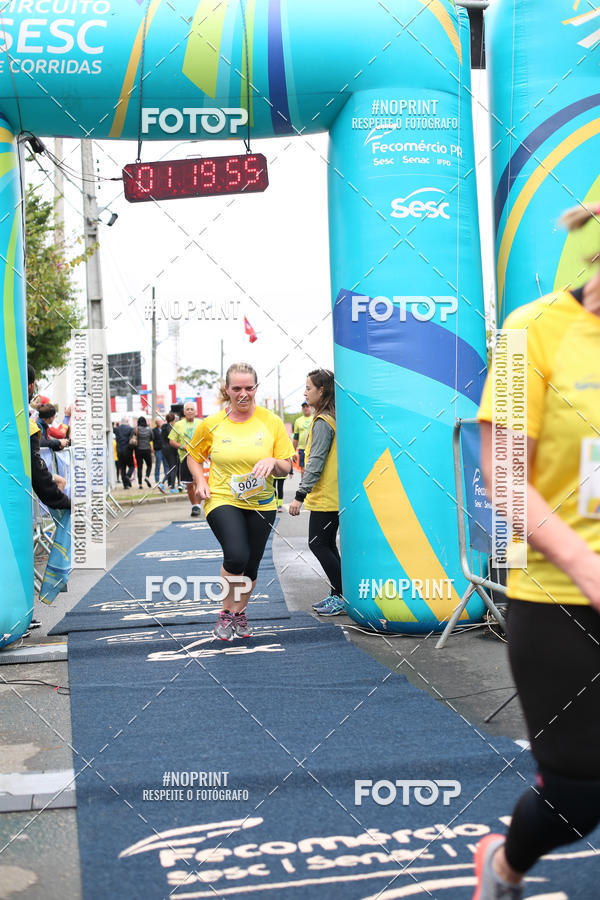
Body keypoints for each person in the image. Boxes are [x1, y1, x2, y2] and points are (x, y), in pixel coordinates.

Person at [472, 203, 600, 900]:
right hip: (557, 593)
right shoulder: (531, 331)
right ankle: (505, 867)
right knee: (577, 797)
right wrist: (587, 567)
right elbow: (503, 479)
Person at [186, 363, 294, 641]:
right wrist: (200, 481)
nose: (243, 394)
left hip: (261, 501)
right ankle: (225, 612)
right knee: (236, 555)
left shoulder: (271, 421)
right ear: (227, 390)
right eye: (237, 388)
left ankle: (240, 612)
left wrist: (273, 461)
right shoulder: (211, 424)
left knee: (253, 564)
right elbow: (193, 457)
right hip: (223, 497)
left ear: (256, 388)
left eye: (249, 388)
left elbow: (286, 466)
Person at [288, 369, 344, 616]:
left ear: (322, 391)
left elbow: (316, 461)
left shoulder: (323, 423)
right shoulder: (331, 418)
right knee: (327, 544)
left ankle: (342, 595)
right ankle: (338, 593)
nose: (305, 392)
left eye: (309, 387)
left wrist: (300, 495)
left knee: (318, 543)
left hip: (326, 497)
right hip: (332, 495)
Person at [169, 401, 202, 516]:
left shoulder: (201, 423)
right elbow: (172, 441)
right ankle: (195, 505)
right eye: (187, 409)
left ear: (196, 411)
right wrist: (182, 447)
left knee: (199, 481)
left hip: (199, 457)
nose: (189, 411)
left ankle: (198, 504)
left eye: (192, 409)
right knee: (189, 484)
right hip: (185, 458)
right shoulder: (178, 425)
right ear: (184, 412)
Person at [293, 401, 314, 476]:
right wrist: (293, 451)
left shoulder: (315, 418)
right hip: (302, 449)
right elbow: (296, 437)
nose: (305, 408)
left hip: (313, 448)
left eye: (307, 406)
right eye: (303, 407)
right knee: (303, 470)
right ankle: (304, 486)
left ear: (311, 407)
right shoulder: (298, 421)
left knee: (313, 470)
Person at [161, 412, 179, 493]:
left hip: (164, 449)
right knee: (173, 467)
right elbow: (172, 439)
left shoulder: (164, 426)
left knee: (170, 467)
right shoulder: (171, 428)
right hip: (171, 449)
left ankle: (164, 483)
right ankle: (171, 486)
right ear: (174, 419)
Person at [114, 417, 135, 489]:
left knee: (122, 468)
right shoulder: (131, 429)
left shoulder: (117, 429)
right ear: (127, 421)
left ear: (120, 422)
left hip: (119, 451)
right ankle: (128, 476)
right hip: (128, 450)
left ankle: (125, 485)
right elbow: (132, 439)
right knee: (132, 466)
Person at [133, 416, 153, 488]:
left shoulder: (136, 429)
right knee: (149, 464)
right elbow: (152, 438)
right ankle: (147, 477)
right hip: (147, 449)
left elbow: (133, 438)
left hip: (138, 450)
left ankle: (140, 484)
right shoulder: (149, 429)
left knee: (139, 467)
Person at [152, 417, 168, 488]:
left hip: (165, 449)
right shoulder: (154, 430)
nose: (159, 423)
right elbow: (152, 439)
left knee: (166, 465)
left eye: (160, 421)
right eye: (157, 422)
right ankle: (157, 479)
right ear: (156, 423)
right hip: (158, 449)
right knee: (158, 465)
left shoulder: (164, 429)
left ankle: (166, 479)